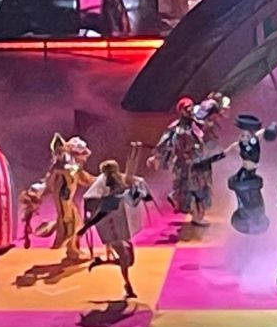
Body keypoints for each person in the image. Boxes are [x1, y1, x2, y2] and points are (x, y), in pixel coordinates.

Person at [147, 94, 228, 227]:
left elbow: (209, 138)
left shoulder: (199, 124)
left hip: (200, 162)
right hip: (185, 163)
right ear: (181, 111)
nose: (189, 110)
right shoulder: (176, 128)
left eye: (190, 107)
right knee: (188, 189)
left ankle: (196, 213)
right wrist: (156, 156)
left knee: (201, 189)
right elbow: (165, 143)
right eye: (186, 108)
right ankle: (192, 212)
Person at [83, 147, 151, 300]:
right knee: (124, 258)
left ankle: (102, 262)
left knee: (129, 261)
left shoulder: (121, 184)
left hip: (122, 226)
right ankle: (128, 286)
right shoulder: (103, 190)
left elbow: (132, 181)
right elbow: (95, 205)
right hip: (112, 229)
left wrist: (135, 151)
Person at [20, 134, 95, 261]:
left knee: (77, 224)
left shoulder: (71, 169)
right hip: (64, 202)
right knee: (71, 226)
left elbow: (86, 179)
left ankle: (71, 249)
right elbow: (51, 183)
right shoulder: (64, 169)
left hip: (67, 202)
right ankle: (71, 251)